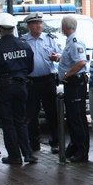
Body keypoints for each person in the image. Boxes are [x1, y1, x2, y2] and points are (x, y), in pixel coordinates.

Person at [0, 13, 38, 165]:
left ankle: (14, 155)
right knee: (20, 121)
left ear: (0, 29)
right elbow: (30, 68)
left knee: (8, 122)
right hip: (21, 86)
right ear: (13, 28)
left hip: (3, 88)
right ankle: (28, 154)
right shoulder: (25, 45)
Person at [22, 12, 61, 154]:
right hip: (31, 82)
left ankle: (55, 142)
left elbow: (60, 55)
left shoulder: (49, 39)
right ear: (29, 26)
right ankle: (34, 143)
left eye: (40, 23)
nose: (38, 26)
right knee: (31, 114)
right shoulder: (24, 41)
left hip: (47, 80)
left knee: (52, 113)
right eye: (35, 23)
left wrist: (57, 57)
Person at [58, 15, 89, 163]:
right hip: (71, 85)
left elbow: (81, 62)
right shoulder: (70, 42)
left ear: (64, 27)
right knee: (71, 118)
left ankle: (82, 151)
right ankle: (74, 146)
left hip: (76, 84)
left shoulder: (75, 42)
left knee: (77, 118)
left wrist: (67, 74)